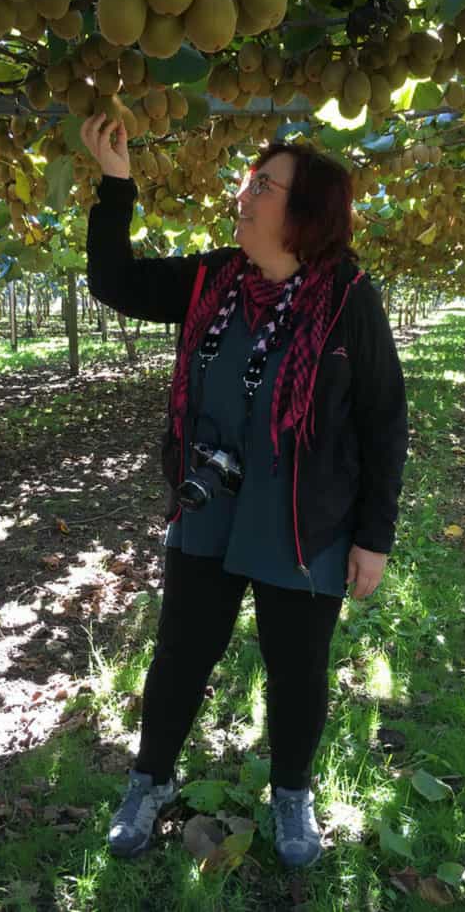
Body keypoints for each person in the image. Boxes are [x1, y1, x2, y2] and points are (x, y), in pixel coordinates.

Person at [81, 112, 408, 869]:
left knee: (295, 671)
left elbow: (383, 420)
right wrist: (115, 185)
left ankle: (290, 794)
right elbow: (114, 281)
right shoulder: (212, 281)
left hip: (302, 520)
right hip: (212, 509)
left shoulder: (348, 298)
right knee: (179, 658)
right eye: (250, 180)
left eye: (265, 184)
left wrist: (373, 536)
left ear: (304, 212)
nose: (247, 192)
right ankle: (148, 781)